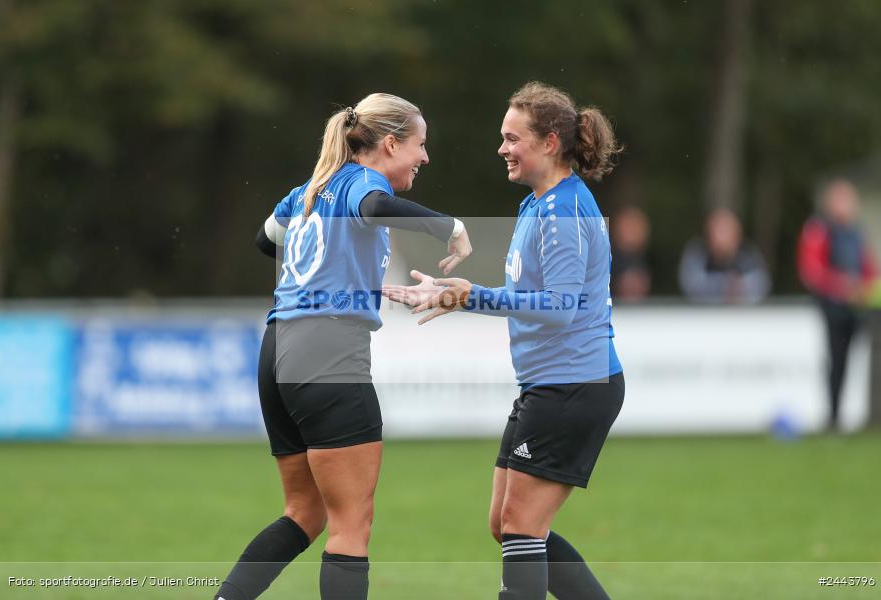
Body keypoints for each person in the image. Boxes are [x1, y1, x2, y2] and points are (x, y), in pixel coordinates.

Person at [213, 93, 472, 600]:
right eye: (420, 145)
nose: (425, 157)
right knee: (351, 525)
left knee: (304, 514)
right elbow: (374, 207)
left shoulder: (311, 187)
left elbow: (267, 242)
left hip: (278, 348)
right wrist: (452, 228)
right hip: (327, 349)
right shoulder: (361, 181)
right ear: (391, 143)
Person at [384, 81, 623, 600]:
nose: (503, 148)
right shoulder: (538, 206)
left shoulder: (561, 211)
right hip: (550, 383)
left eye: (513, 138)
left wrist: (472, 298)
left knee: (519, 526)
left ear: (550, 144)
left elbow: (560, 309)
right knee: (505, 523)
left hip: (574, 383)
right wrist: (462, 295)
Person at [797, 178, 879, 431]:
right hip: (832, 308)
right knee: (837, 360)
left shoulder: (856, 232)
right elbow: (811, 272)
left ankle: (860, 415)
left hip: (858, 307)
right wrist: (844, 287)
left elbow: (868, 267)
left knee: (858, 360)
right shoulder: (818, 230)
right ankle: (833, 418)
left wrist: (868, 288)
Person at [678, 207, 770, 304]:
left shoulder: (748, 254)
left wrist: (740, 288)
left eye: (726, 231)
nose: (721, 237)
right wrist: (725, 285)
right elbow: (691, 285)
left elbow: (762, 284)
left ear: (737, 234)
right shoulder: (698, 252)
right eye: (719, 231)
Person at [610, 205, 652, 303]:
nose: (635, 232)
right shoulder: (604, 263)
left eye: (638, 227)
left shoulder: (646, 262)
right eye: (630, 227)